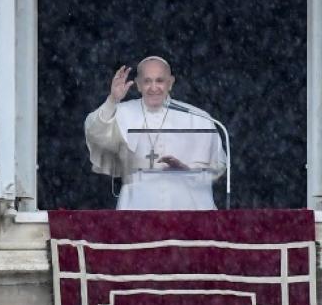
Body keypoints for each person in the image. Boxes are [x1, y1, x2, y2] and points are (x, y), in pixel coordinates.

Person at [84, 56, 226, 210]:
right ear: (138, 85)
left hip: (187, 209)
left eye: (160, 80)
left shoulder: (197, 117)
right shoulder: (121, 112)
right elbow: (94, 132)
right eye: (147, 81)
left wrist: (187, 170)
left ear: (170, 83)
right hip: (137, 209)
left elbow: (218, 166)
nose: (153, 87)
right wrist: (112, 100)